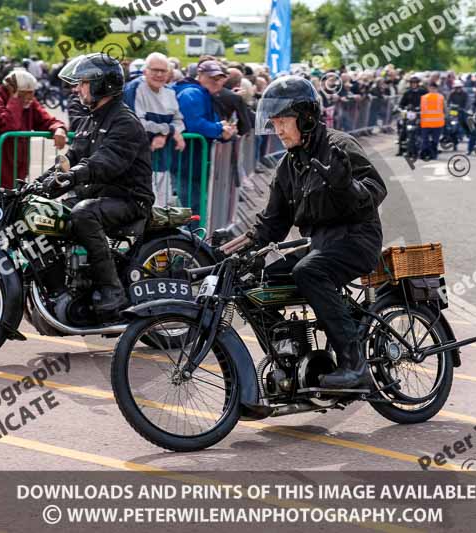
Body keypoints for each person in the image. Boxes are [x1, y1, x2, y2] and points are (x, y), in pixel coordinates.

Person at [221, 76, 387, 389]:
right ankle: (288, 357)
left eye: (283, 121)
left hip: (356, 240)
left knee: (309, 271)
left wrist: (347, 186)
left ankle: (355, 366)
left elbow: (376, 189)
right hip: (320, 245)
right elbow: (272, 224)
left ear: (307, 118)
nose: (278, 130)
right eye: (274, 123)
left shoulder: (339, 146)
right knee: (251, 281)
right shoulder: (288, 164)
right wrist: (230, 250)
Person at [40, 53, 154, 317]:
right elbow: (70, 158)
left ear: (102, 84)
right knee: (48, 213)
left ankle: (112, 290)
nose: (77, 88)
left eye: (83, 82)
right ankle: (63, 283)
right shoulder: (91, 119)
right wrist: (38, 183)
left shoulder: (124, 121)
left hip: (128, 199)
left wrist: (74, 176)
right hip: (98, 194)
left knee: (84, 213)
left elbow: (106, 162)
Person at [0, 69, 67, 189]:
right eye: (25, 92)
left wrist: (59, 128)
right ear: (11, 89)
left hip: (17, 170)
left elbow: (45, 120)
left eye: (32, 92)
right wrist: (15, 99)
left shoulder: (29, 101)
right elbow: (10, 126)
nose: (30, 97)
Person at [173, 60, 237, 215]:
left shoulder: (204, 94)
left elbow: (210, 123)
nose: (216, 82)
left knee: (197, 206)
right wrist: (219, 128)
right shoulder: (191, 93)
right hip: (186, 160)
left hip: (194, 161)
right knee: (192, 207)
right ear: (200, 75)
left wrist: (223, 131)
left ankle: (195, 230)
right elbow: (194, 124)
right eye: (212, 78)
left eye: (219, 78)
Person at [123, 52, 186, 205]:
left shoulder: (170, 92)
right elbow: (138, 124)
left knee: (161, 208)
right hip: (135, 162)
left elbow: (179, 122)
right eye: (155, 70)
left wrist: (163, 135)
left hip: (162, 161)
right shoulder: (134, 88)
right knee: (140, 207)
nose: (159, 74)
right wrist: (169, 130)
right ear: (145, 70)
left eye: (163, 71)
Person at [396, 74, 426, 156]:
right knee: (402, 128)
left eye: (415, 82)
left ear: (418, 83)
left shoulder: (423, 92)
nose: (413, 84)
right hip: (409, 114)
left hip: (420, 114)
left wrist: (423, 109)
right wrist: (401, 109)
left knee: (423, 129)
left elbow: (428, 102)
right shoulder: (407, 92)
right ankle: (401, 148)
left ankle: (425, 147)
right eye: (412, 82)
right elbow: (401, 104)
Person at [419, 82, 445, 160]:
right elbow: (445, 109)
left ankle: (424, 154)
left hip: (426, 123)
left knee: (425, 140)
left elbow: (421, 109)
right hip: (437, 123)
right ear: (436, 88)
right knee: (435, 141)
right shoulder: (441, 97)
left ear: (429, 88)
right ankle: (433, 155)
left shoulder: (424, 97)